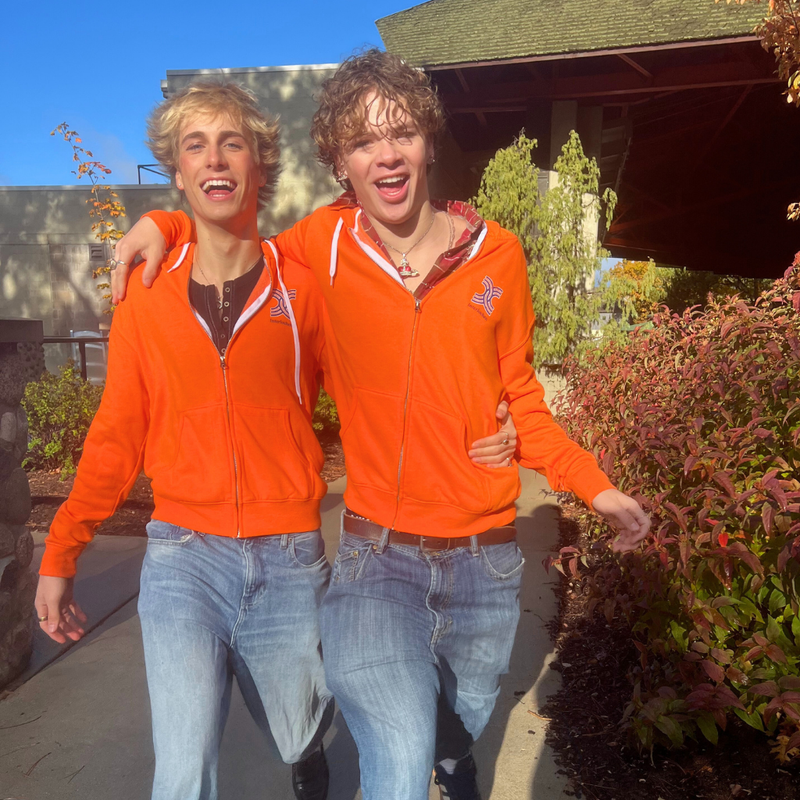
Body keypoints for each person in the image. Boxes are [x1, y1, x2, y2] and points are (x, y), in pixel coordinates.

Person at [111, 51, 650, 800]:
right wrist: (163, 220)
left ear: (428, 142)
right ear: (340, 162)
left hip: (484, 561)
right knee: (396, 762)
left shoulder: (498, 255)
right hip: (376, 558)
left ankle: (454, 757)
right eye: (363, 141)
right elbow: (231, 234)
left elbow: (521, 394)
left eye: (400, 133)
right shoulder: (319, 249)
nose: (386, 154)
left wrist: (595, 488)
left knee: (451, 734)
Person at [35, 81, 335, 800]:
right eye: (195, 145)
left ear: (261, 163)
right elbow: (116, 431)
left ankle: (308, 752)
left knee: (299, 731)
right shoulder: (146, 294)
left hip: (287, 555)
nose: (216, 158)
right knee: (183, 767)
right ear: (177, 171)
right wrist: (61, 549)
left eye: (233, 142)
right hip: (182, 560)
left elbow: (367, 398)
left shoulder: (306, 287)